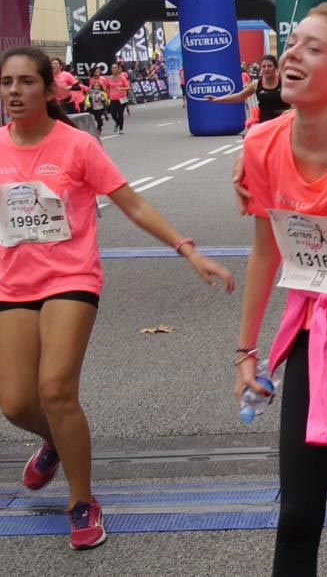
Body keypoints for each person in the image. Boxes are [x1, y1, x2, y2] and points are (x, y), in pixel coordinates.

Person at [0, 47, 235, 550]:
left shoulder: (76, 146)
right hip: (12, 284)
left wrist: (187, 250)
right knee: (16, 402)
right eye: (6, 83)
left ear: (48, 90)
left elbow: (132, 203)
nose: (14, 92)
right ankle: (55, 442)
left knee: (56, 387)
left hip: (70, 279)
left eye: (25, 82)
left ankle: (82, 501)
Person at [235, 4, 327, 576]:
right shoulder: (262, 144)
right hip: (317, 335)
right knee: (296, 516)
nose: (292, 55)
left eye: (313, 48)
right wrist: (247, 350)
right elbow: (268, 247)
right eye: (293, 43)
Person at [205, 54, 291, 129]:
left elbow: (298, 103)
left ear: (276, 68)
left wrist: (290, 111)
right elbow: (239, 96)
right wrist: (218, 99)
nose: (266, 69)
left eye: (270, 66)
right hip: (265, 125)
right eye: (264, 66)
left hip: (283, 124)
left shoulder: (285, 83)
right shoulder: (256, 84)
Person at [106, 63, 131, 135]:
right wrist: (107, 98)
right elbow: (107, 88)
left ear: (118, 69)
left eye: (115, 68)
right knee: (113, 113)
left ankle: (121, 128)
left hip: (122, 98)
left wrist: (121, 88)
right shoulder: (109, 78)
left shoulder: (122, 78)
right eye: (112, 68)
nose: (113, 69)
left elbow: (128, 87)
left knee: (120, 113)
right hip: (113, 98)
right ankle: (117, 123)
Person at [85, 68, 110, 133]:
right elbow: (89, 89)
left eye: (99, 71)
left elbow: (107, 87)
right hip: (94, 98)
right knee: (95, 116)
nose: (98, 73)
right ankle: (102, 117)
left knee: (99, 114)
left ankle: (99, 128)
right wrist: (86, 98)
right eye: (96, 72)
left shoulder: (103, 79)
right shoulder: (91, 80)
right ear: (94, 72)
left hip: (101, 97)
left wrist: (107, 96)